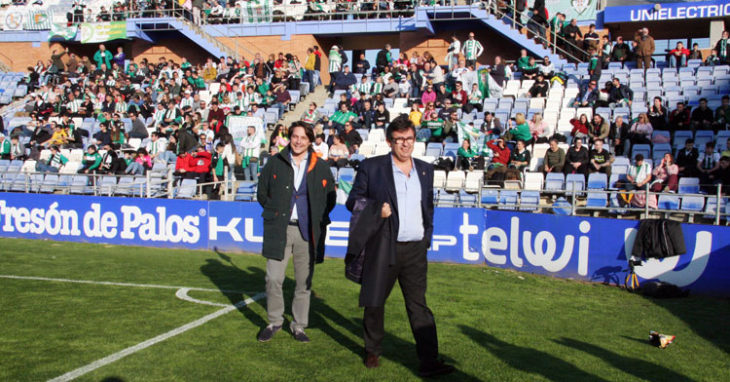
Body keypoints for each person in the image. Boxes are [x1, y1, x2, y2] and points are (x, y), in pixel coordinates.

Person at [346, 115, 454, 377]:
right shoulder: (372, 168)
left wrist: (426, 237)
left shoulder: (425, 169)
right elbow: (353, 201)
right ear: (389, 141)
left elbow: (426, 206)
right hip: (384, 246)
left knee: (419, 306)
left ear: (414, 140)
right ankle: (372, 350)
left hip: (415, 249)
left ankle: (429, 360)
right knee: (375, 303)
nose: (405, 145)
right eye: (399, 140)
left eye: (409, 139)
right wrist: (375, 209)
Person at [256, 122, 336, 343]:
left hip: (307, 233)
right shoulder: (275, 162)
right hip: (279, 229)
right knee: (273, 278)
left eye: (303, 137)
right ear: (289, 138)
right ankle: (274, 321)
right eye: (295, 136)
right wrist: (276, 211)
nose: (299, 141)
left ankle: (299, 325)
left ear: (310, 140)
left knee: (303, 283)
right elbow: (262, 193)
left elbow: (330, 198)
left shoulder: (320, 166)